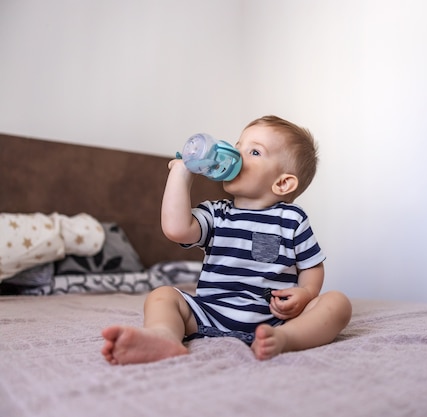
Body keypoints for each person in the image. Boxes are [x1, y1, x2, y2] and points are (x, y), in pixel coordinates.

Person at [101, 115, 352, 364]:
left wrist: (306, 293)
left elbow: (311, 266)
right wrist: (180, 174)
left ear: (283, 183)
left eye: (254, 152)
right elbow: (176, 229)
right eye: (238, 145)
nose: (237, 153)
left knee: (337, 303)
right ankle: (163, 335)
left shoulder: (292, 219)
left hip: (274, 318)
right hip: (211, 312)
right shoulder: (217, 213)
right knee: (163, 295)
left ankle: (286, 339)